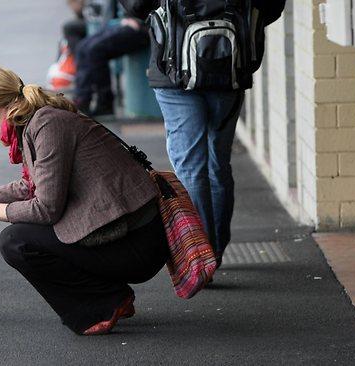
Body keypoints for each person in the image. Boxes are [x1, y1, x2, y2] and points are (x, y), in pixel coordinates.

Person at [0, 65, 169, 335]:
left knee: (16, 241)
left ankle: (105, 302)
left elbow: (46, 208)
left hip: (136, 242)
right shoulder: (37, 123)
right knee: (21, 236)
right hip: (121, 231)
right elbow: (30, 186)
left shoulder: (47, 125)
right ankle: (107, 297)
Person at [119, 0, 285, 268]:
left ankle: (201, 257)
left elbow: (136, 5)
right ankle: (215, 250)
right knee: (218, 164)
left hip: (173, 68)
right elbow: (271, 8)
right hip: (229, 67)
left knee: (190, 167)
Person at [73, 1, 150, 116]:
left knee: (95, 50)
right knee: (82, 47)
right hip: (123, 22)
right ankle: (82, 98)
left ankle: (104, 102)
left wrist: (137, 18)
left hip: (142, 26)